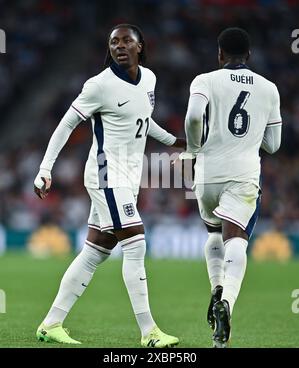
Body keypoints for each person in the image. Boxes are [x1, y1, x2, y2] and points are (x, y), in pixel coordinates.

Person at [34, 23, 185, 347]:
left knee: (95, 252)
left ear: (139, 46)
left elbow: (143, 121)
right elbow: (66, 125)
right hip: (105, 174)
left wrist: (176, 141)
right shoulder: (98, 86)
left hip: (129, 176)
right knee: (136, 242)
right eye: (113, 41)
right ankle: (149, 332)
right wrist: (45, 168)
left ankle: (51, 324)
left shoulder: (149, 80)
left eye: (126, 41)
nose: (119, 46)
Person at [181, 27, 281, 347]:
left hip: (207, 172)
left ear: (220, 54)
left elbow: (194, 116)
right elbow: (275, 144)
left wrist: (194, 149)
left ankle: (215, 288)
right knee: (235, 237)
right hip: (243, 173)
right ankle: (228, 303)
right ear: (249, 56)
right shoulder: (269, 89)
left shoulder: (205, 80)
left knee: (213, 232)